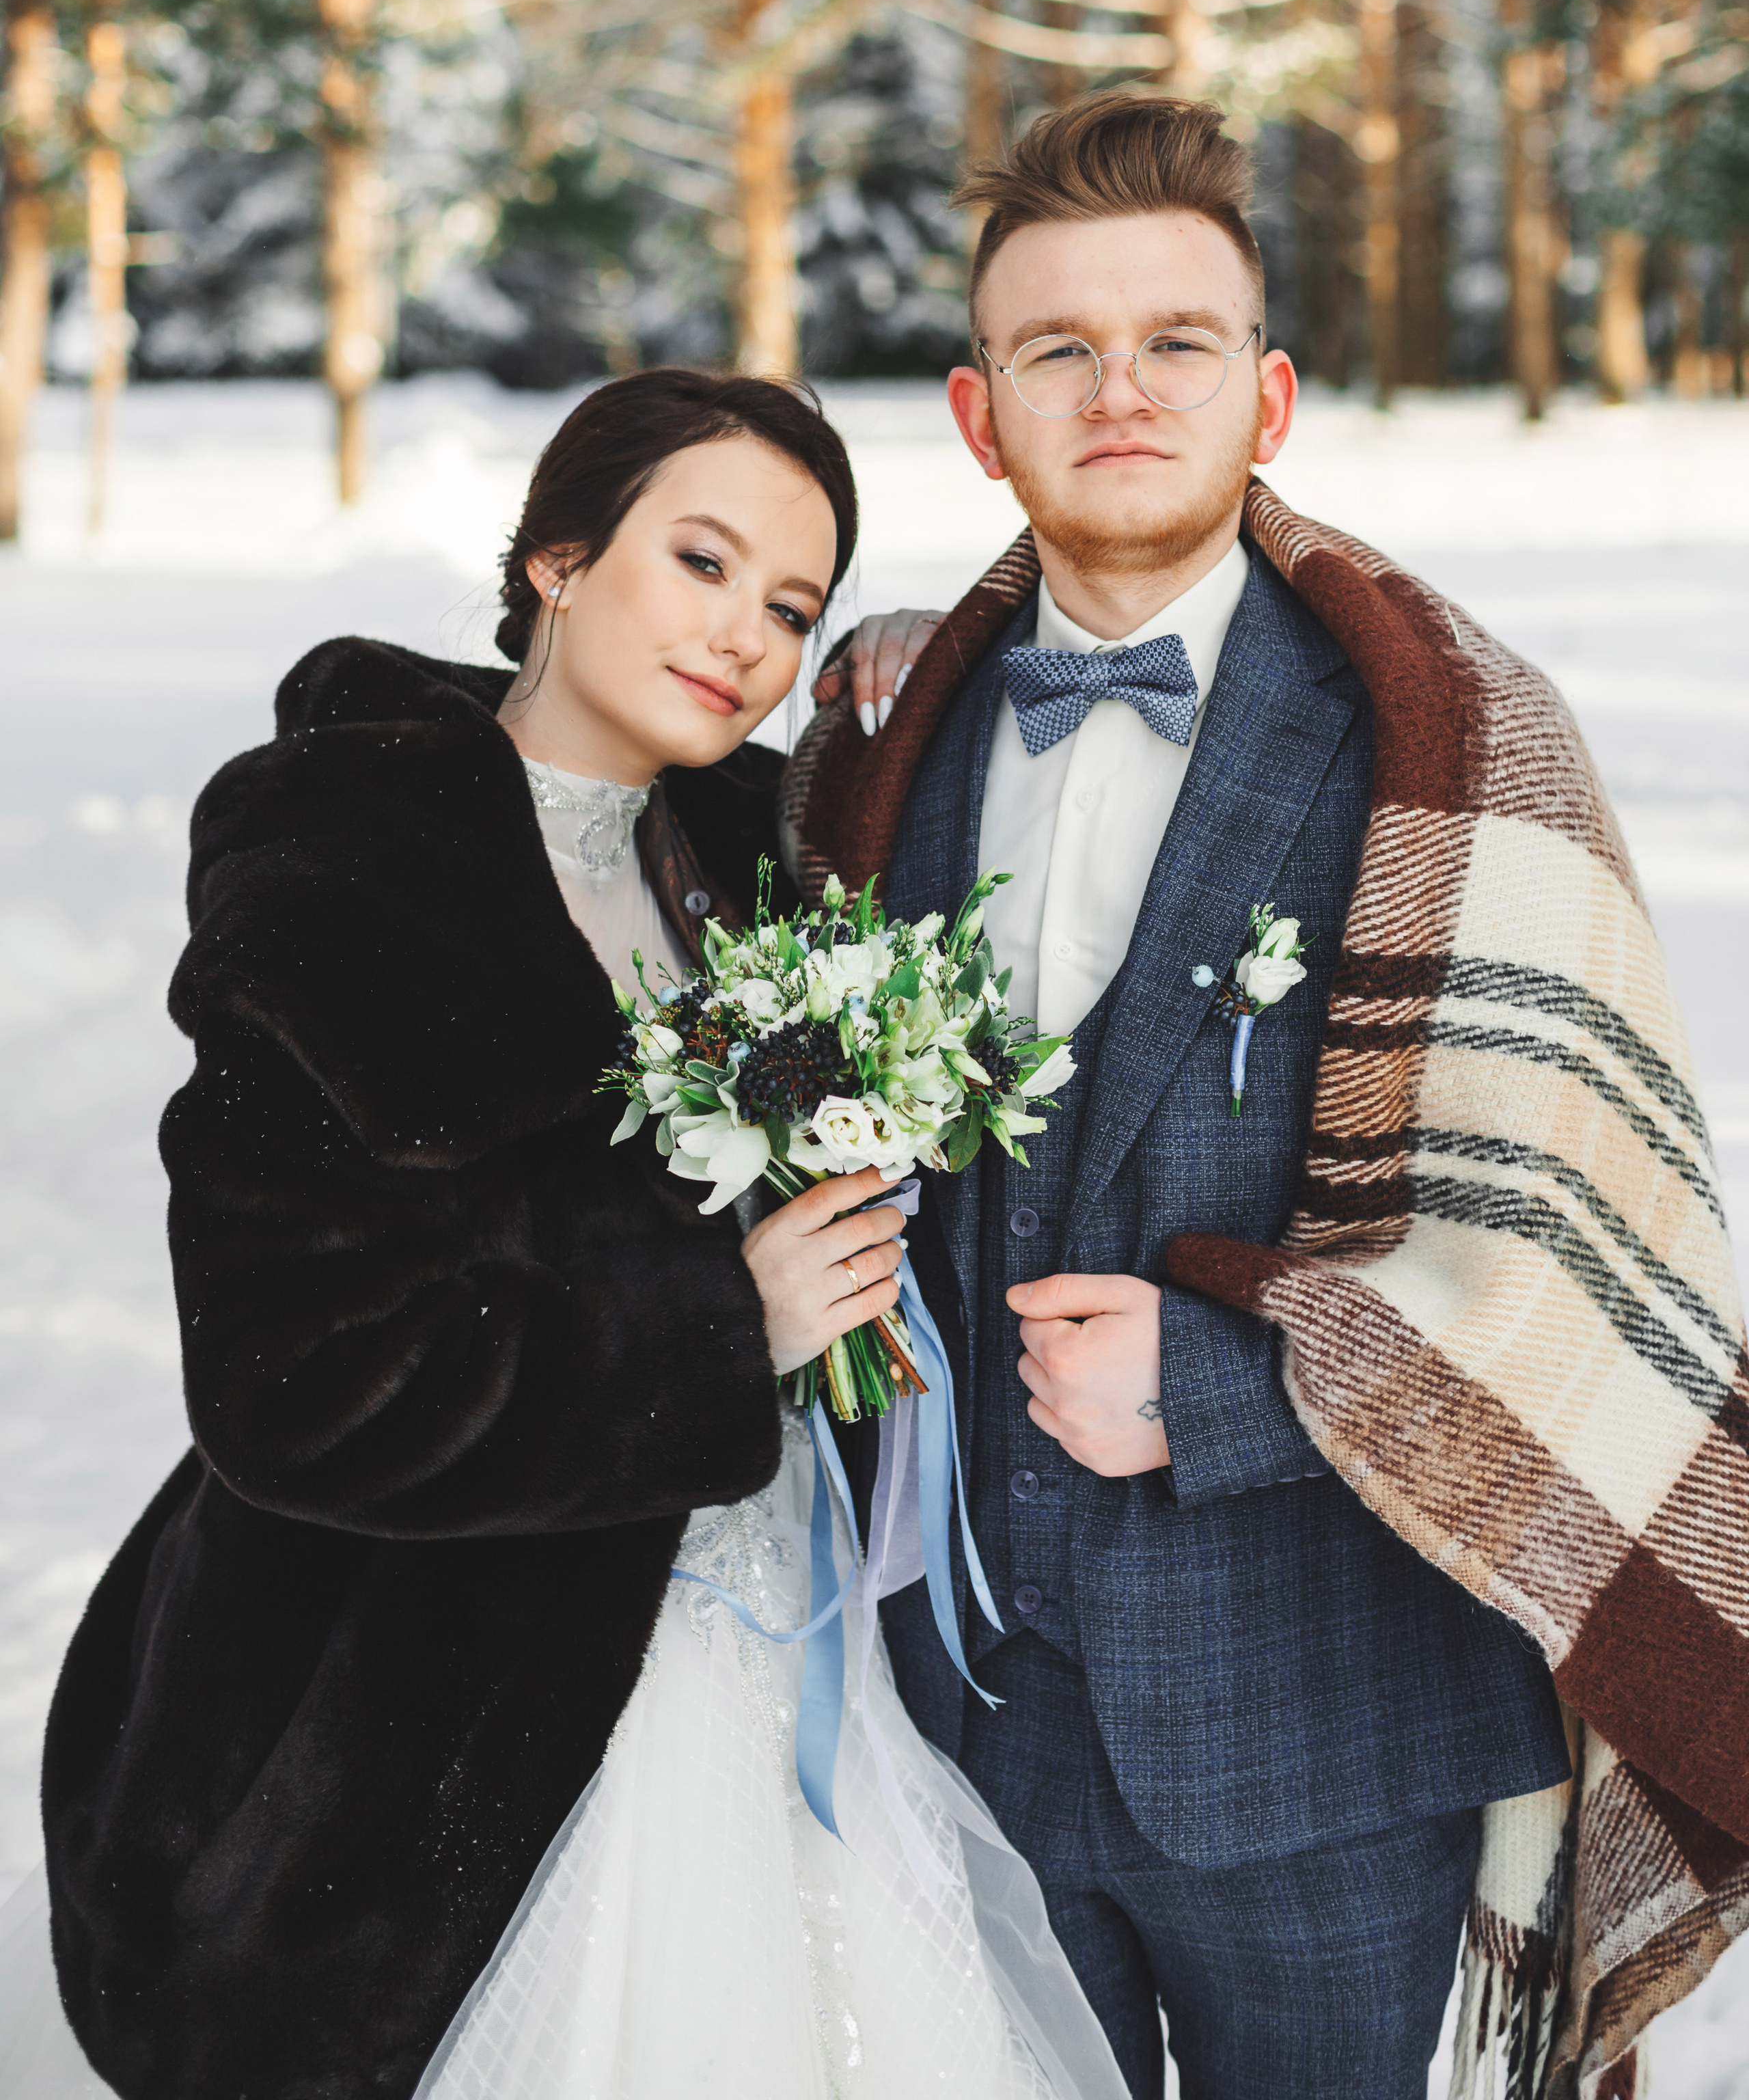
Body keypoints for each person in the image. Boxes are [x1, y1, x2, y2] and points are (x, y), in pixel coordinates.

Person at [783, 87, 1748, 2100]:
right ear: (980, 416)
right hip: (961, 1721)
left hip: (1336, 1734)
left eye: (1175, 344)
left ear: (1270, 398)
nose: (1117, 389)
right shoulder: (882, 740)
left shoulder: (1459, 743)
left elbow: (1581, 1252)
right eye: (1058, 347)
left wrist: (1231, 1386)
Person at [12, 372, 1127, 2100]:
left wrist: (925, 670)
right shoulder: (347, 880)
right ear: (556, 556)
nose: (743, 637)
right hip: (438, 1716)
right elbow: (289, 1386)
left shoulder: (757, 856)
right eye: (699, 561)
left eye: (789, 606)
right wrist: (708, 1326)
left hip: (786, 1644)